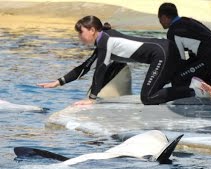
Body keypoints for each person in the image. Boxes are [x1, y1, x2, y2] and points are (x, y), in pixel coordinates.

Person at [38, 16, 197, 105]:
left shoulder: (105, 41)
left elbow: (100, 69)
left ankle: (194, 91)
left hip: (162, 53)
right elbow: (85, 67)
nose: (79, 37)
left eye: (81, 32)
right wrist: (58, 82)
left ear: (92, 30)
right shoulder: (104, 40)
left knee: (148, 97)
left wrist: (91, 99)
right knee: (176, 82)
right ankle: (200, 87)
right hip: (165, 49)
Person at [158, 2, 211, 91]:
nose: (160, 22)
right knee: (189, 71)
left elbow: (179, 59)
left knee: (178, 78)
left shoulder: (173, 31)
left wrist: (165, 76)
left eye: (160, 19)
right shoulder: (189, 21)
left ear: (164, 17)